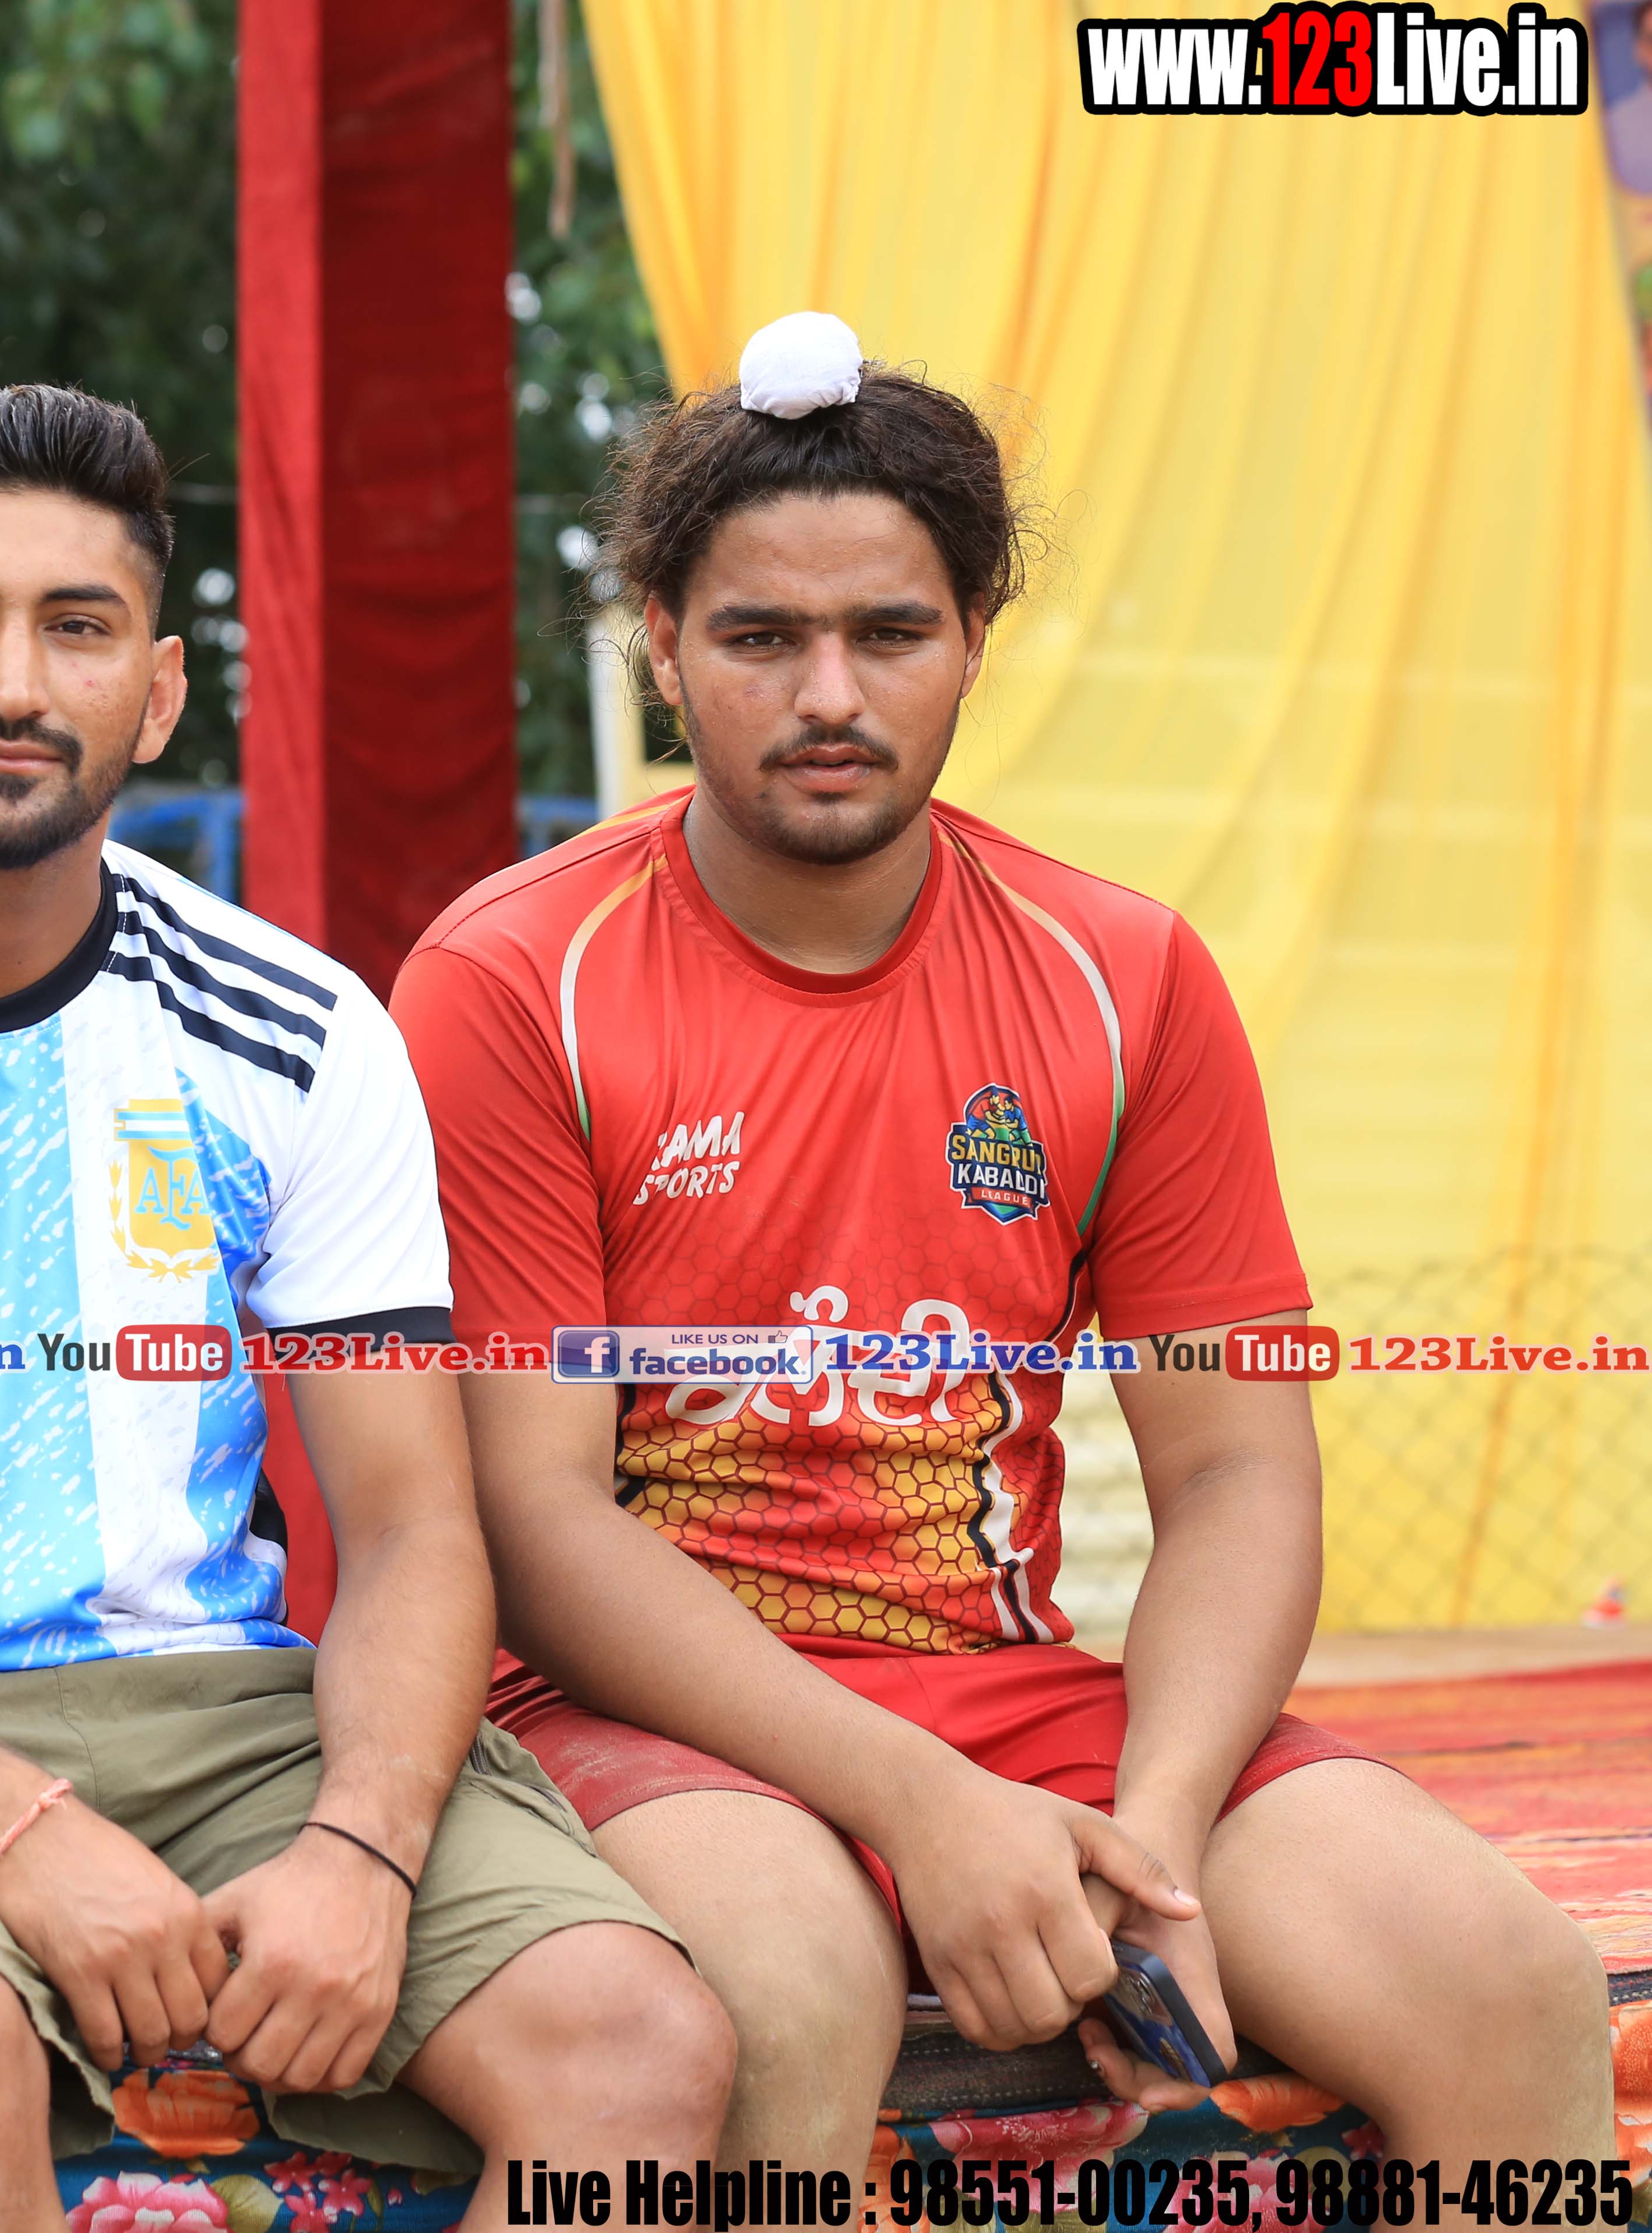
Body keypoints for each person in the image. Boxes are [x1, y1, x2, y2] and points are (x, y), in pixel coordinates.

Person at [390, 316, 1612, 2167]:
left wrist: (1162, 1839)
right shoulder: (510, 979)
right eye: (760, 637)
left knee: (1510, 1988)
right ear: (660, 643)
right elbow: (537, 1524)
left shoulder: (1122, 974)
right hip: (624, 1710)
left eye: (889, 633)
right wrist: (922, 1805)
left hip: (1006, 1685)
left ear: (975, 635)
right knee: (787, 2002)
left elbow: (1239, 1475)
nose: (829, 694)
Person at [0, 383, 732, 2233]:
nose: (13, 681)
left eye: (76, 627)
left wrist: (363, 1847)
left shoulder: (296, 1029)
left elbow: (416, 1528)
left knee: (635, 2047)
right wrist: (18, 1830)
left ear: (157, 695)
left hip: (223, 1720)